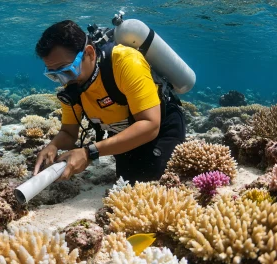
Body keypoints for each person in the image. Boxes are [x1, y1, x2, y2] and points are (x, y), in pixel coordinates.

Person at [33, 19, 186, 184]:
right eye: (55, 75)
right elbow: (69, 133)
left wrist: (89, 152)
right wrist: (53, 145)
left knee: (153, 185)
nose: (64, 81)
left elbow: (150, 125)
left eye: (67, 71)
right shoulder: (74, 88)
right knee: (126, 184)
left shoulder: (125, 61)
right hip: (125, 135)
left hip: (162, 127)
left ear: (89, 53)